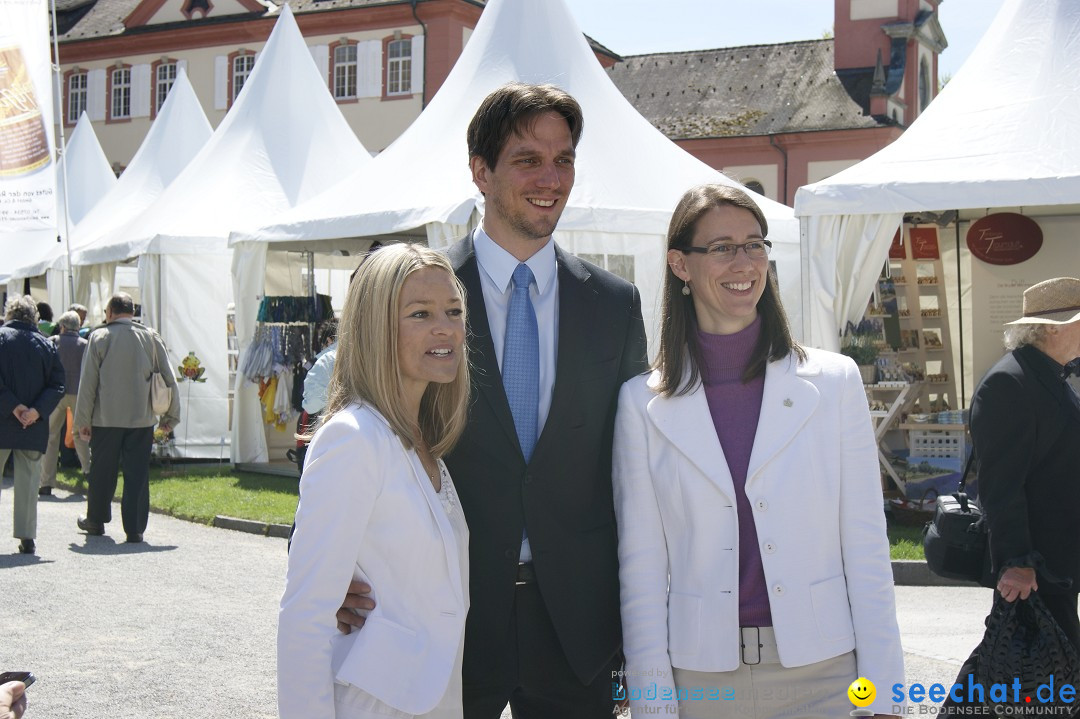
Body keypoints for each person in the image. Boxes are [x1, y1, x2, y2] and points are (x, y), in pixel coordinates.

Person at [338, 83, 648, 717]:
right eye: (528, 159)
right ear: (480, 171)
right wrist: (327, 557)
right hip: (443, 614)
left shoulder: (614, 305)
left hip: (577, 628)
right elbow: (355, 421)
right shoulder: (417, 292)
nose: (550, 177)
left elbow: (635, 463)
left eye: (563, 159)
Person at [612, 184, 904, 718]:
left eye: (754, 244)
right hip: (700, 680)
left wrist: (883, 694)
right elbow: (643, 570)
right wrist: (653, 703)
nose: (743, 262)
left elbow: (866, 548)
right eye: (722, 247)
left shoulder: (834, 383)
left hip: (826, 675)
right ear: (680, 264)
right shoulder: (640, 404)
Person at [278, 243, 471, 718]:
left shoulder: (421, 440)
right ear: (375, 327)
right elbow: (305, 617)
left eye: (453, 310)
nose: (445, 326)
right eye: (420, 313)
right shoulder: (353, 438)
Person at [941, 277, 1080, 716]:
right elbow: (1000, 485)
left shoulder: (1048, 375)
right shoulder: (1011, 382)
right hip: (1035, 565)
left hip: (1055, 560)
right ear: (1055, 327)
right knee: (1038, 672)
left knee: (1025, 669)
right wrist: (1017, 562)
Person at [74, 292, 180, 544]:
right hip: (141, 419)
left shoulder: (99, 336)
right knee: (137, 475)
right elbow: (169, 378)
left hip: (105, 419)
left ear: (110, 313)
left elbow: (88, 384)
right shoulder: (150, 337)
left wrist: (82, 422)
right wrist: (171, 417)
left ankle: (96, 521)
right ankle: (134, 529)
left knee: (102, 472)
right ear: (132, 312)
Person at [0, 296, 66, 555]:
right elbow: (58, 384)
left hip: (3, 419)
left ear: (9, 314)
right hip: (33, 424)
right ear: (33, 317)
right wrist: (35, 411)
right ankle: (27, 537)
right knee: (28, 481)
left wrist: (14, 407)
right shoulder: (46, 344)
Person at [40, 311, 91, 496]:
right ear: (77, 327)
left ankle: (46, 482)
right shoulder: (85, 345)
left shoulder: (53, 342)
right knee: (80, 434)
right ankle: (88, 471)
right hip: (79, 393)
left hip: (56, 394)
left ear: (62, 326)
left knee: (51, 437)